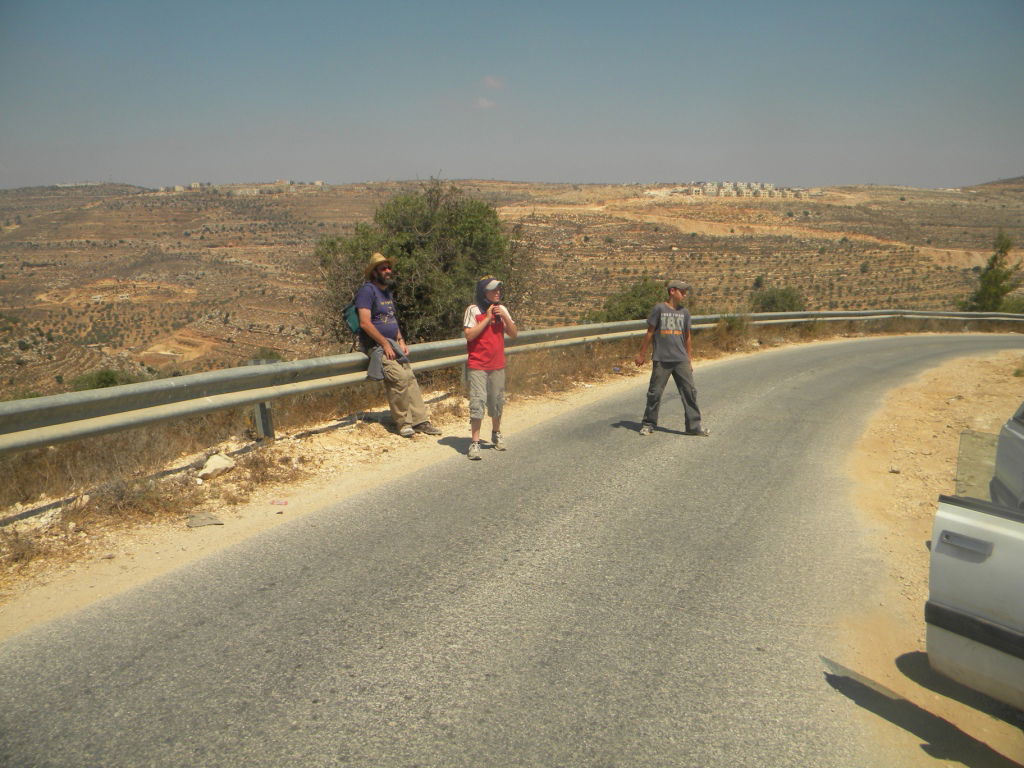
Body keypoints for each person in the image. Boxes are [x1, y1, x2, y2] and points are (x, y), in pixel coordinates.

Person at [355, 252, 441, 438]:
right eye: (383, 268)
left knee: (410, 377)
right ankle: (403, 423)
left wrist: (400, 340)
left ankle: (420, 421)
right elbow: (365, 322)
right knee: (398, 378)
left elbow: (391, 319)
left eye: (389, 267)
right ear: (374, 272)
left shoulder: (387, 292)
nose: (388, 271)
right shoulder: (367, 291)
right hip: (377, 346)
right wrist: (384, 343)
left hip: (393, 344)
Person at [634, 279, 709, 437]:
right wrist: (642, 353)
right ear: (672, 291)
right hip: (661, 359)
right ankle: (648, 423)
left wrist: (689, 359)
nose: (685, 294)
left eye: (685, 291)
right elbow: (650, 332)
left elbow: (687, 336)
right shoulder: (659, 309)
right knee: (654, 393)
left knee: (689, 392)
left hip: (680, 359)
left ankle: (693, 426)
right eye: (682, 291)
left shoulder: (685, 312)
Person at [463, 277, 518, 459]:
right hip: (478, 364)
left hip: (497, 365)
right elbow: (469, 335)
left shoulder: (502, 310)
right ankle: (475, 442)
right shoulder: (473, 310)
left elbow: (514, 333)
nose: (497, 293)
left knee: (496, 401)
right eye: (493, 290)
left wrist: (503, 317)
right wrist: (487, 319)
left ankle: (496, 433)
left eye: (499, 290)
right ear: (483, 292)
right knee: (477, 402)